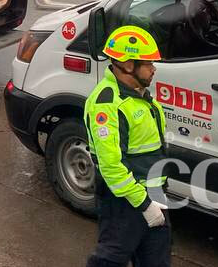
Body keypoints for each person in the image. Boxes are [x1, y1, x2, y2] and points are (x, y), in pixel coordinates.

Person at [84, 25, 170, 267]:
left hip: (153, 195)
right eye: (148, 63)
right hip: (125, 204)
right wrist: (144, 205)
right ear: (128, 65)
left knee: (156, 261)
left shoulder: (137, 94)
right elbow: (111, 166)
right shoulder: (108, 104)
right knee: (109, 260)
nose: (154, 68)